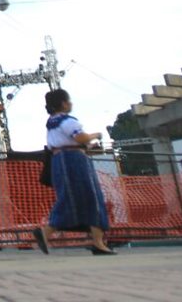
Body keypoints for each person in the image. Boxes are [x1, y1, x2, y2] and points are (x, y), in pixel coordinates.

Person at [33, 88, 115, 256]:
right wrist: (96, 135)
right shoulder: (68, 121)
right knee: (92, 196)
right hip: (74, 160)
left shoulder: (52, 122)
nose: (70, 104)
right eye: (68, 101)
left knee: (69, 197)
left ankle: (46, 232)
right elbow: (81, 138)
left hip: (59, 160)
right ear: (63, 103)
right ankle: (98, 242)